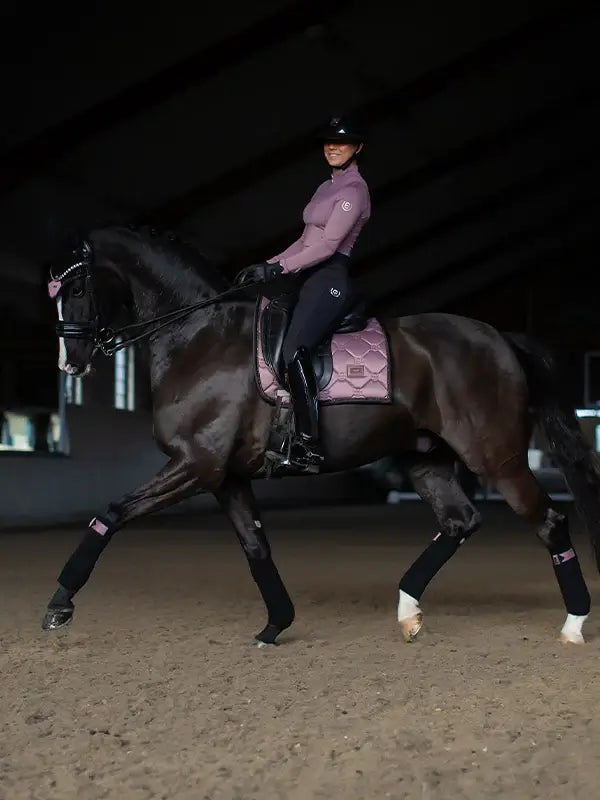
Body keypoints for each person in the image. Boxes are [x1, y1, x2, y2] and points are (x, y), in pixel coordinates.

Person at [237, 114, 371, 471]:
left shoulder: (354, 192)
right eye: (329, 142)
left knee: (295, 349)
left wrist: (280, 268)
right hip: (305, 274)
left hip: (328, 277)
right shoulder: (326, 187)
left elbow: (327, 246)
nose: (333, 148)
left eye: (341, 143)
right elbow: (304, 240)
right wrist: (268, 263)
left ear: (357, 148)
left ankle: (308, 444)